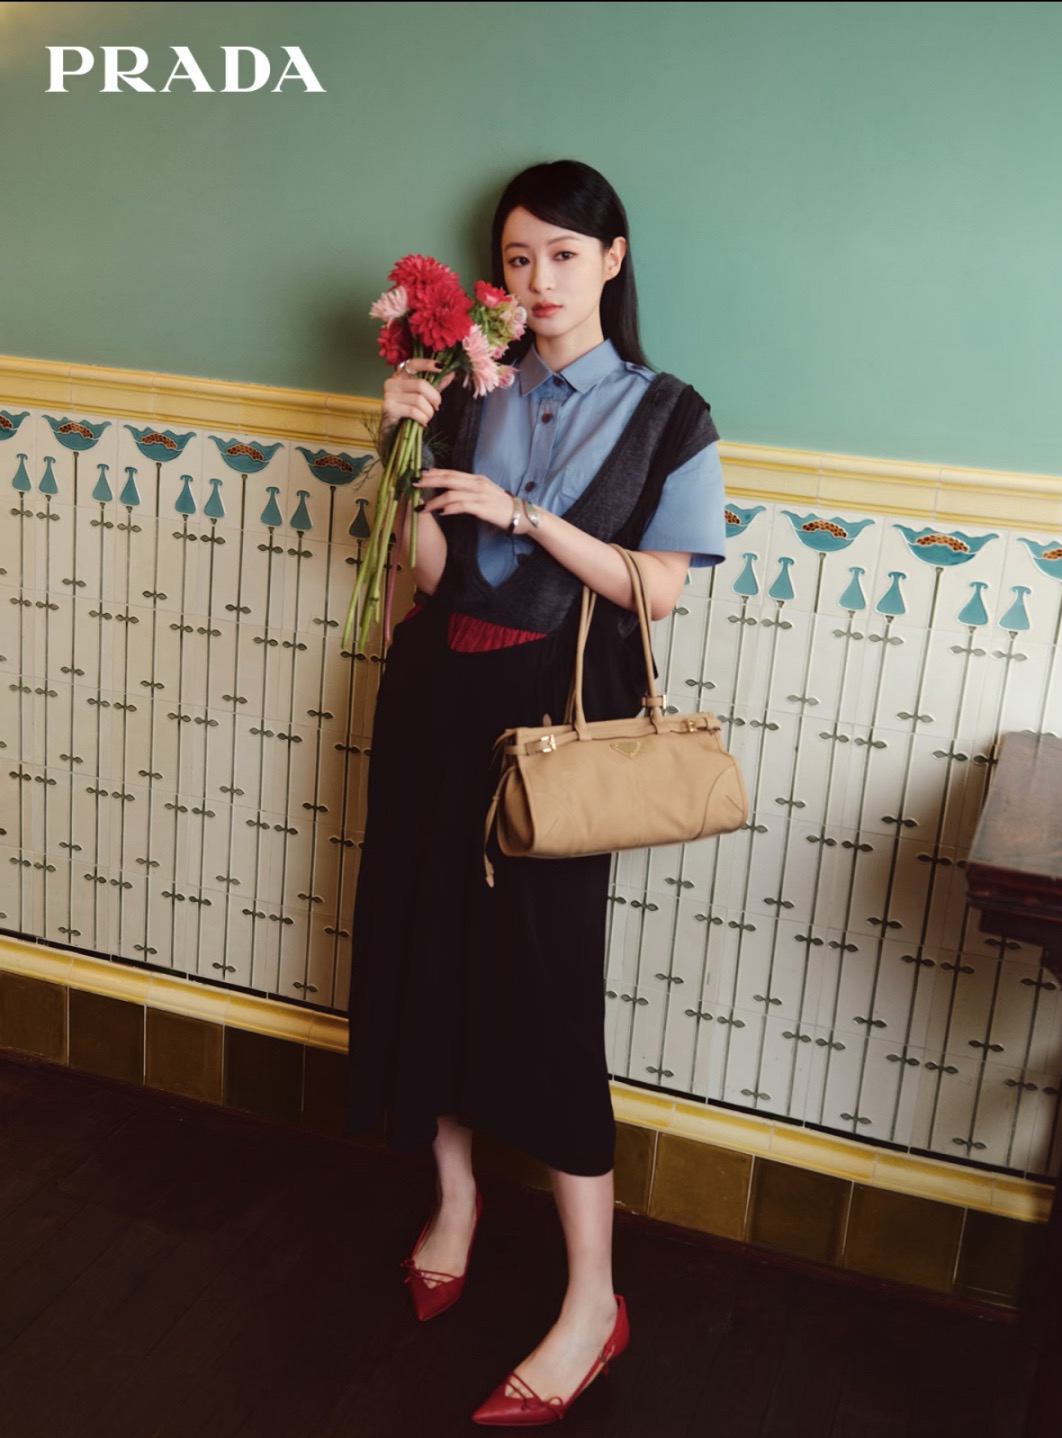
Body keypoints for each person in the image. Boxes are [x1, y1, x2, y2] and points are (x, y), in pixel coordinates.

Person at [346, 159, 726, 1426]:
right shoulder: (468, 385)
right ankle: (454, 1199)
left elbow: (656, 590)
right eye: (517, 258)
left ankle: (592, 1300)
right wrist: (398, 448)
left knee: (552, 994)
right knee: (431, 951)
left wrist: (524, 512)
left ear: (612, 260)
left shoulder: (671, 415)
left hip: (558, 731)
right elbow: (433, 570)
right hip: (436, 704)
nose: (539, 280)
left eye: (564, 254)